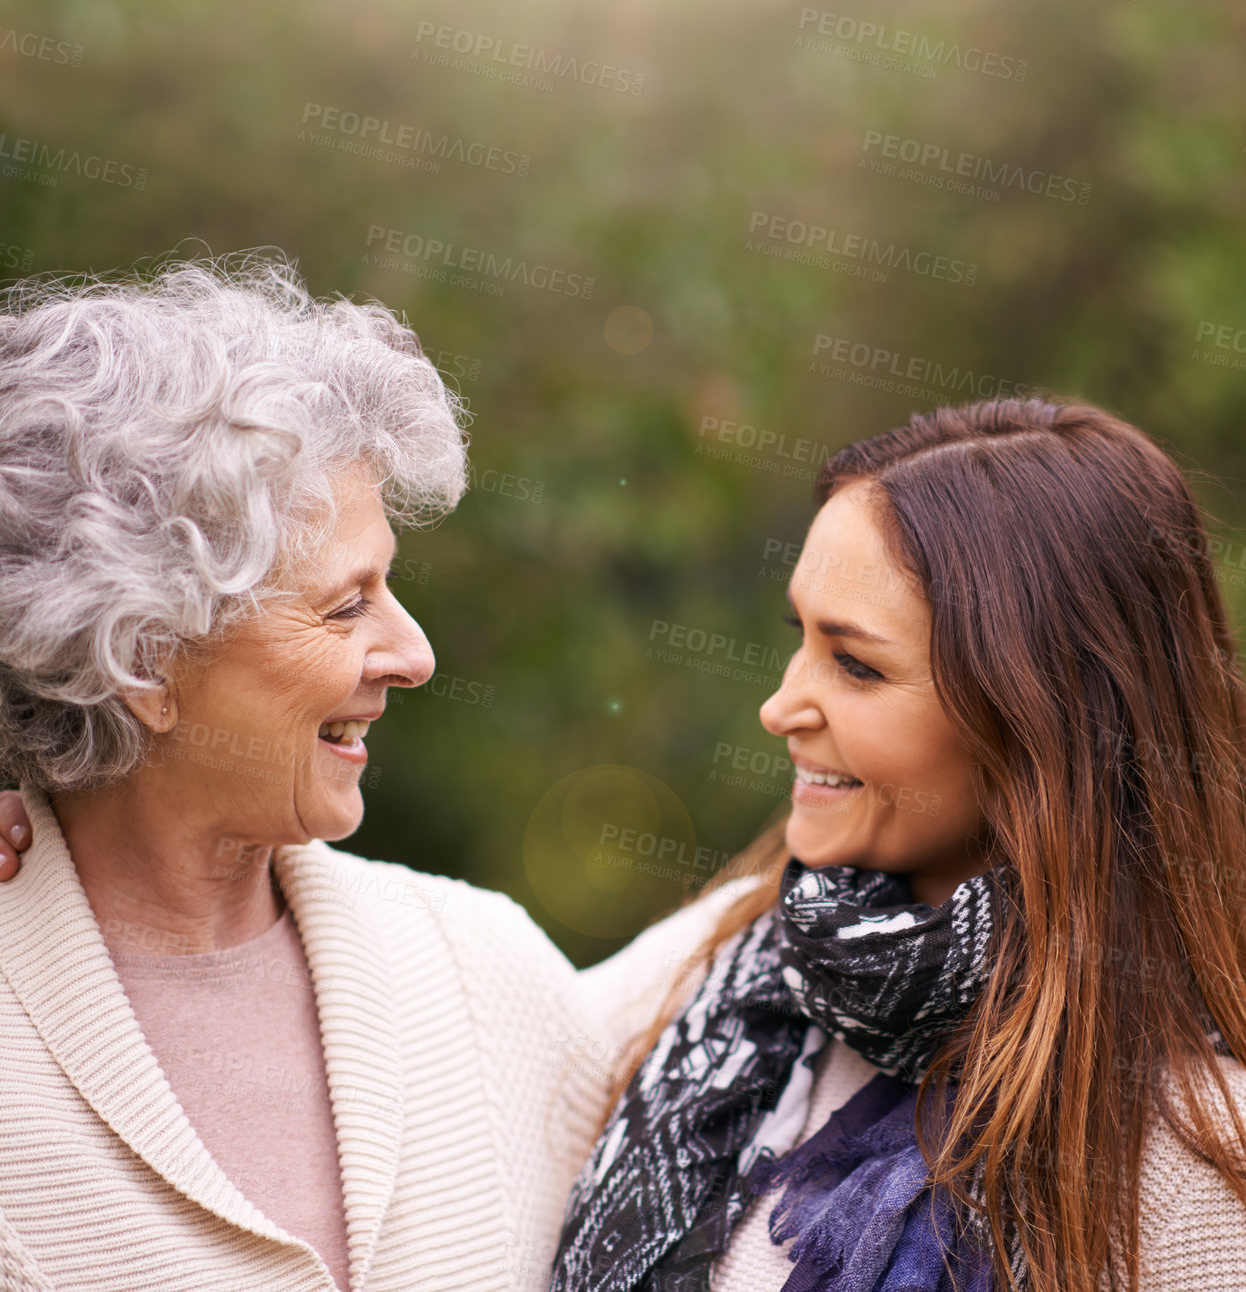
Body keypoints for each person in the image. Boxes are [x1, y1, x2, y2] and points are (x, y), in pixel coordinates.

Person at [0, 256, 609, 1290]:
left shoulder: (486, 971)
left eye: (392, 587)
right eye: (344, 605)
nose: (414, 656)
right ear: (143, 658)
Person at [557, 397, 1246, 1292]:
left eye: (856, 664)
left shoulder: (1202, 1168)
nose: (780, 707)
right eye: (798, 637)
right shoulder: (721, 960)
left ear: (1041, 722)